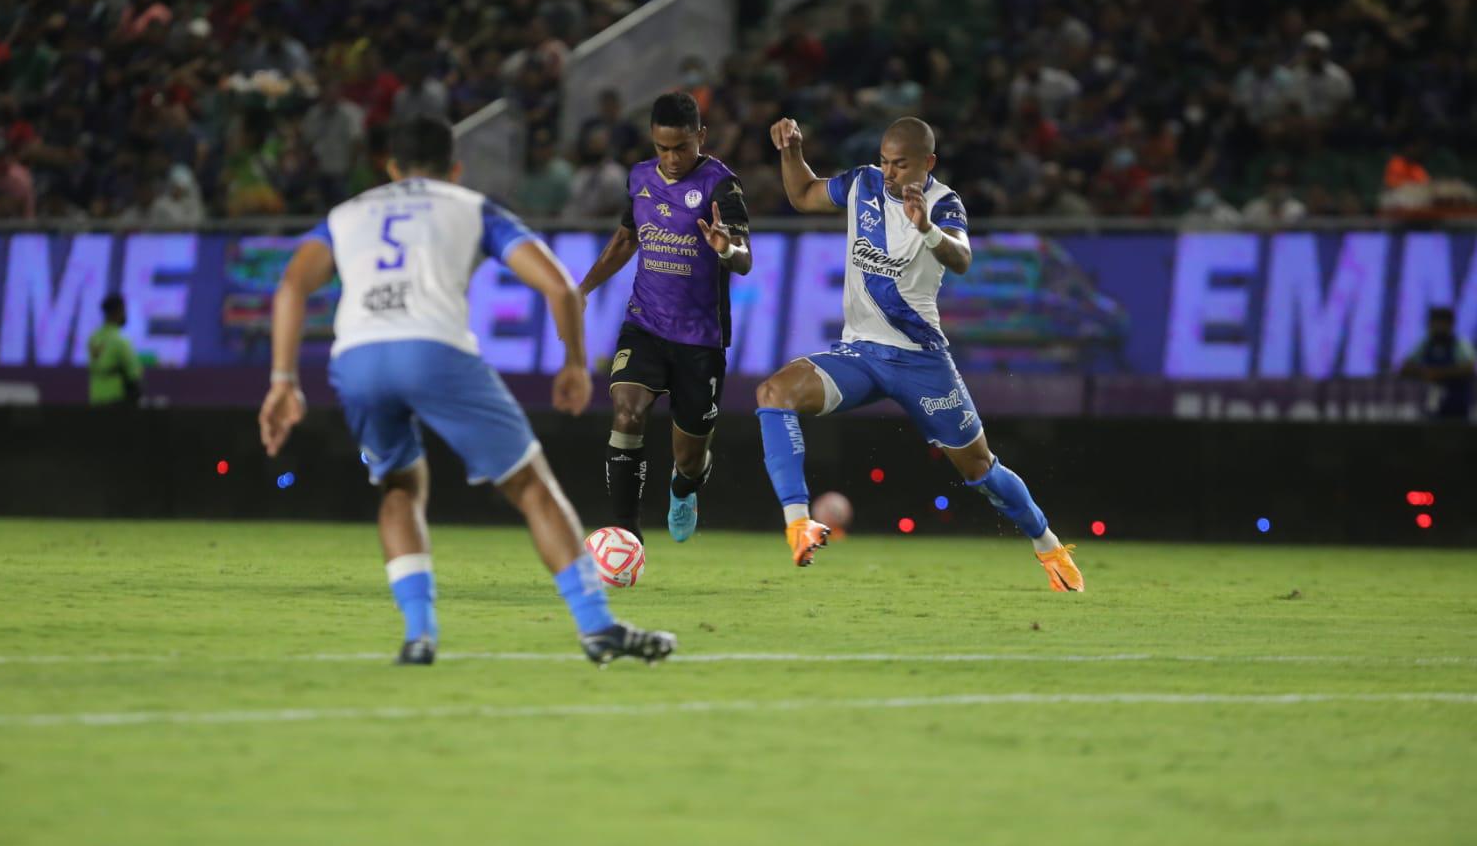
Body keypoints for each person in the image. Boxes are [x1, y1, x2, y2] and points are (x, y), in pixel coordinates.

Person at [257, 117, 674, 667]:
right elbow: (557, 285)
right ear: (454, 167)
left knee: (398, 484)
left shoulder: (346, 215)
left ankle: (419, 635)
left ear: (389, 167)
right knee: (531, 486)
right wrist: (574, 363)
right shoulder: (470, 207)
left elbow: (291, 285)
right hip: (435, 350)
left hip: (357, 357)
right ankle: (597, 627)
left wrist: (282, 380)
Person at [753, 115, 1085, 592]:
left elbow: (962, 258)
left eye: (900, 164)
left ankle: (1049, 546)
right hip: (861, 354)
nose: (888, 173)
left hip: (921, 361)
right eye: (885, 162)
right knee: (773, 392)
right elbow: (803, 194)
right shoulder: (862, 184)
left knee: (980, 469)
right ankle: (798, 523)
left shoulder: (944, 203)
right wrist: (791, 151)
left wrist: (926, 228)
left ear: (927, 162)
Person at [578, 92, 753, 544]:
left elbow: (745, 259)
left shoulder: (722, 185)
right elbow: (623, 242)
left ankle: (684, 486)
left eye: (681, 148)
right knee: (627, 411)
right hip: (645, 325)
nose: (671, 159)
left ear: (701, 137)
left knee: (690, 457)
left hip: (700, 340)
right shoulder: (639, 179)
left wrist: (726, 248)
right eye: (662, 148)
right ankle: (624, 531)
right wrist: (580, 290)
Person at [1399, 307, 1475, 421]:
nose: (1438, 327)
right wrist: (1424, 373)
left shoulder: (1460, 344)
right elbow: (1405, 367)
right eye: (1434, 323)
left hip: (1456, 406)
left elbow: (1469, 368)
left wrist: (1439, 374)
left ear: (1450, 325)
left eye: (1442, 323)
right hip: (1430, 405)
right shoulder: (1425, 344)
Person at [87, 294, 143, 406]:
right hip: (117, 401)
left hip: (95, 399)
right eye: (123, 310)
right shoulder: (120, 341)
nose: (125, 315)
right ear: (117, 312)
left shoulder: (93, 338)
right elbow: (134, 376)